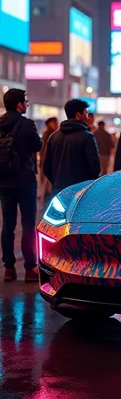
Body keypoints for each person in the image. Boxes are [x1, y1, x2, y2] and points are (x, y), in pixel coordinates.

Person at [0, 88, 42, 282]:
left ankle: (8, 268)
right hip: (25, 181)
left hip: (4, 181)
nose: (26, 104)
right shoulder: (27, 125)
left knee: (8, 224)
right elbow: (37, 146)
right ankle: (30, 268)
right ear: (19, 105)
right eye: (25, 101)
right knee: (28, 224)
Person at [43, 99, 100, 195]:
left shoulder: (54, 136)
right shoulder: (87, 136)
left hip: (59, 191)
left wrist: (57, 183)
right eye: (86, 113)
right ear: (78, 115)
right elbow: (95, 168)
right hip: (80, 193)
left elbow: (47, 167)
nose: (88, 117)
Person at [38, 117, 59, 202]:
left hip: (49, 159)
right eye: (54, 122)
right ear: (49, 124)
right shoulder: (48, 133)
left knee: (47, 180)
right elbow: (44, 148)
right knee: (46, 180)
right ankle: (45, 196)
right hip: (47, 160)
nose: (56, 124)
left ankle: (46, 196)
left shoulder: (54, 133)